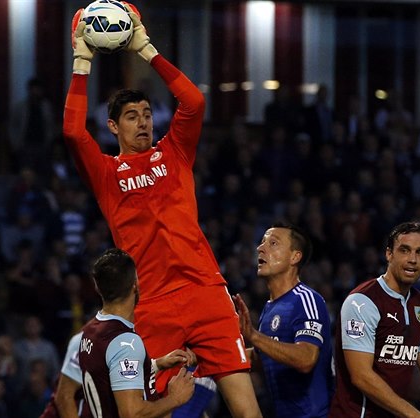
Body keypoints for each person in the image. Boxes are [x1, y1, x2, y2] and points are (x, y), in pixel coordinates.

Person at [63, 4, 262, 417]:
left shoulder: (173, 152)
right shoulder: (104, 172)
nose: (143, 123)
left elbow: (194, 100)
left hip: (205, 291)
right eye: (131, 117)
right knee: (153, 411)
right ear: (113, 126)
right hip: (150, 303)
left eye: (148, 115)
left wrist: (147, 49)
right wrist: (82, 62)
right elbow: (71, 131)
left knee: (247, 410)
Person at [330, 221, 420, 417]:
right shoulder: (362, 302)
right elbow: (361, 376)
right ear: (389, 254)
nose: (413, 259)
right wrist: (415, 415)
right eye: (405, 250)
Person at [78, 248, 195, 417]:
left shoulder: (90, 331)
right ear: (135, 285)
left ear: (97, 287)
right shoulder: (124, 343)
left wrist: (156, 365)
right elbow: (132, 413)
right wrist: (175, 399)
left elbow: (110, 376)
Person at [233, 223, 334, 417]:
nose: (260, 248)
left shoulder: (306, 300)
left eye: (273, 243)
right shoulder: (270, 308)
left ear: (295, 257)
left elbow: (306, 358)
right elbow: (265, 357)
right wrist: (210, 356)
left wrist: (254, 336)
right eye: (262, 242)